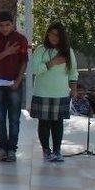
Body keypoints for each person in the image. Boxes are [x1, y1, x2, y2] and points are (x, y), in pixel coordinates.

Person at [0, 11, 29, 162]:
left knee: (15, 118)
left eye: (8, 25)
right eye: (1, 25)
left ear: (13, 23)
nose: (4, 28)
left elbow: (24, 62)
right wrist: (6, 52)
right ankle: (2, 148)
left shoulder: (20, 39)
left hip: (14, 83)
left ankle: (12, 149)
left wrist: (18, 80)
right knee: (0, 118)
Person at [30, 22, 78, 162]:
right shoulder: (40, 49)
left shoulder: (68, 51)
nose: (53, 37)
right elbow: (35, 70)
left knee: (58, 123)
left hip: (61, 93)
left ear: (61, 36)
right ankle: (46, 151)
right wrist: (52, 63)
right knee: (44, 123)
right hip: (42, 93)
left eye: (56, 34)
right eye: (51, 33)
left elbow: (73, 72)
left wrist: (73, 88)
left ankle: (57, 151)